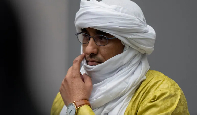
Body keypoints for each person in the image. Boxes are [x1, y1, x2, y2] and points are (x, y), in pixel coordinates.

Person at [51, 0, 190, 114]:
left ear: (129, 45)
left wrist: (79, 104)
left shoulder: (160, 95)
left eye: (102, 38)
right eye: (86, 36)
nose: (89, 50)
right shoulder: (67, 93)